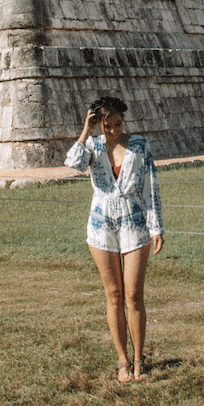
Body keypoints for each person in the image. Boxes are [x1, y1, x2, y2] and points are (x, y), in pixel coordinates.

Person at [65, 95, 164, 382]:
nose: (113, 131)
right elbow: (73, 162)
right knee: (114, 295)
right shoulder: (93, 146)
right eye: (107, 126)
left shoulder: (139, 145)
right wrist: (86, 130)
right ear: (99, 124)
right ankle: (122, 361)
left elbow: (150, 188)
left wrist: (156, 227)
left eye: (117, 124)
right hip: (101, 225)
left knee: (133, 296)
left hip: (134, 222)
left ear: (123, 119)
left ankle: (138, 361)